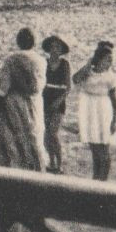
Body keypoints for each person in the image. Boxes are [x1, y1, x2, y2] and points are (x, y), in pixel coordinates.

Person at [0, 28, 47, 171]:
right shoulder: (41, 61)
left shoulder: (12, 60)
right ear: (34, 43)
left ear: (18, 42)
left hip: (15, 107)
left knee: (13, 145)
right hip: (35, 105)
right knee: (34, 140)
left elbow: (2, 89)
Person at [72, 41, 116, 180]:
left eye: (111, 60)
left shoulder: (110, 77)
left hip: (103, 111)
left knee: (104, 147)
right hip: (89, 110)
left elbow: (114, 100)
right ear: (99, 59)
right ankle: (96, 177)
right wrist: (87, 66)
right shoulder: (89, 72)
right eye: (107, 59)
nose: (110, 63)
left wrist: (115, 119)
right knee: (94, 147)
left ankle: (103, 179)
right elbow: (75, 79)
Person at [40, 34, 72, 174]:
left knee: (53, 133)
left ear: (61, 50)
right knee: (46, 134)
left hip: (58, 102)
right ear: (49, 49)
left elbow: (68, 87)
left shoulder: (65, 64)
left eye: (57, 47)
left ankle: (59, 164)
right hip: (44, 100)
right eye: (52, 47)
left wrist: (58, 101)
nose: (55, 50)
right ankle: (51, 162)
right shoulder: (44, 62)